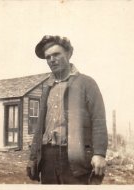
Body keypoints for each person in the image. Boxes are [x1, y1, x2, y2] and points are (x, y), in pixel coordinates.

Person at [26, 35, 108, 184]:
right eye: (48, 57)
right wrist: (33, 157)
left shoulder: (86, 83)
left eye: (56, 54)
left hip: (76, 159)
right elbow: (40, 127)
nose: (52, 59)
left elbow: (99, 119)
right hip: (47, 158)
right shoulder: (47, 87)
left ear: (69, 53)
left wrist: (100, 154)